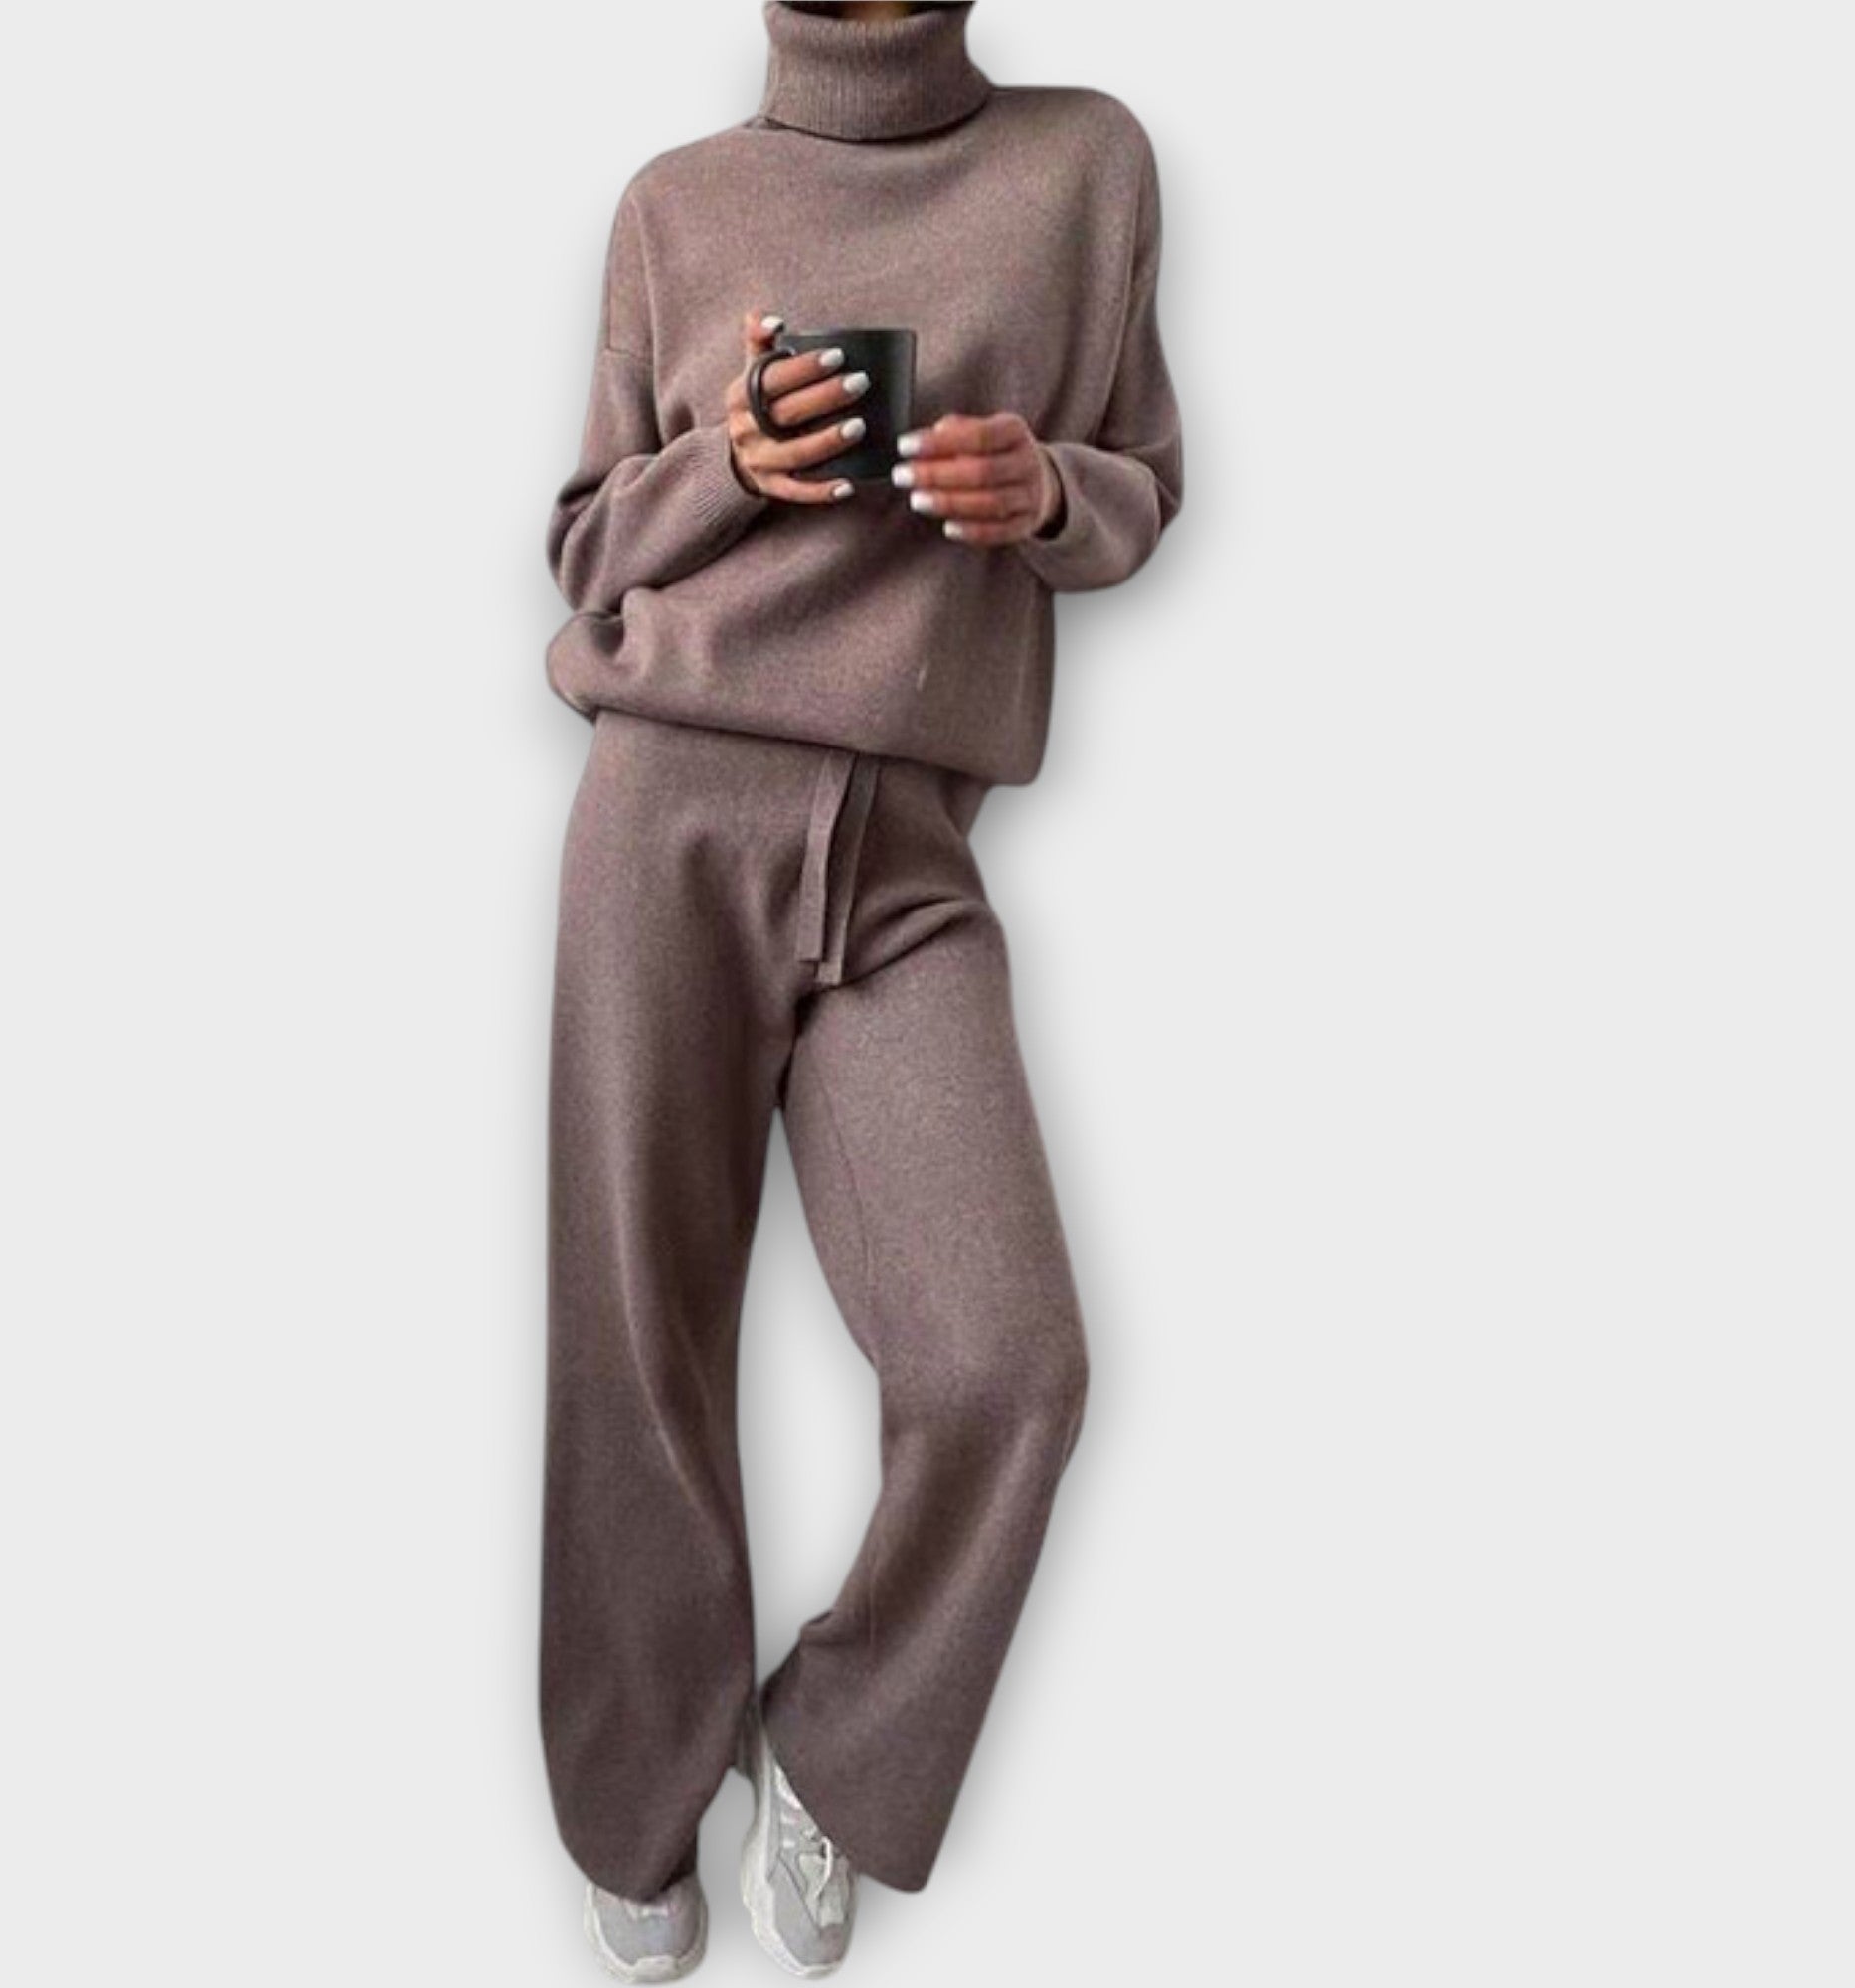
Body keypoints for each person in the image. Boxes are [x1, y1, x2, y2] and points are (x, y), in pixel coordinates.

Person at [538, 2, 1183, 1977]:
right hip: (669, 809)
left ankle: (837, 1748)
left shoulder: (1085, 166)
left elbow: (1144, 484)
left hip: (907, 847)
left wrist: (1043, 494)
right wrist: (728, 462)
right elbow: (582, 548)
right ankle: (634, 1797)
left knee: (1010, 1366)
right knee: (637, 1342)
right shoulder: (678, 204)